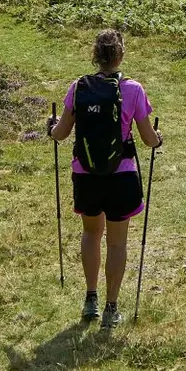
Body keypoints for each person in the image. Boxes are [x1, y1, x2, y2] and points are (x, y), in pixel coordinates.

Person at [50, 29, 162, 329]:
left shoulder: (78, 88)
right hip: (121, 175)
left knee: (91, 234)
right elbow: (149, 140)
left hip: (85, 174)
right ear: (121, 54)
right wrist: (158, 139)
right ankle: (112, 309)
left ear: (95, 55)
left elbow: (60, 134)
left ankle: (90, 299)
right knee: (117, 242)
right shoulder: (134, 90)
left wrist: (49, 127)